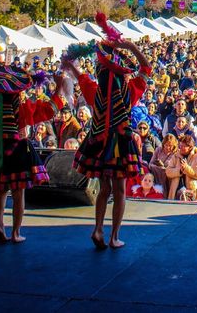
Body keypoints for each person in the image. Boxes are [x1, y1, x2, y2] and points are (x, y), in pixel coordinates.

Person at [67, 36, 153, 250]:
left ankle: (97, 229)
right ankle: (114, 236)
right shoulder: (130, 92)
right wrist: (131, 46)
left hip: (98, 142)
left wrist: (71, 65)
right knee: (120, 190)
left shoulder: (94, 92)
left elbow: (81, 77)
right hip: (120, 144)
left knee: (104, 188)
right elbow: (146, 67)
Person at [0, 65, 56, 243]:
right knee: (18, 193)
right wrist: (59, 93)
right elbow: (47, 111)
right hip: (17, 149)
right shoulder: (22, 107)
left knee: (1, 191)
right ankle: (16, 232)